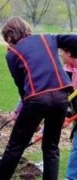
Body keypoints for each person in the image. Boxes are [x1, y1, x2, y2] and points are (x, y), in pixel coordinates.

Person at [0, 16, 77, 180]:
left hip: (36, 100)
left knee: (15, 147)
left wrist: (21, 111)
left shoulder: (12, 54)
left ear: (10, 37)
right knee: (51, 148)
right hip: (61, 97)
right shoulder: (48, 38)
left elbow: (22, 87)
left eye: (7, 40)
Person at [59, 48, 77, 180]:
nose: (60, 54)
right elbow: (67, 96)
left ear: (69, 53)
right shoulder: (68, 70)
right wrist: (66, 115)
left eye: (62, 51)